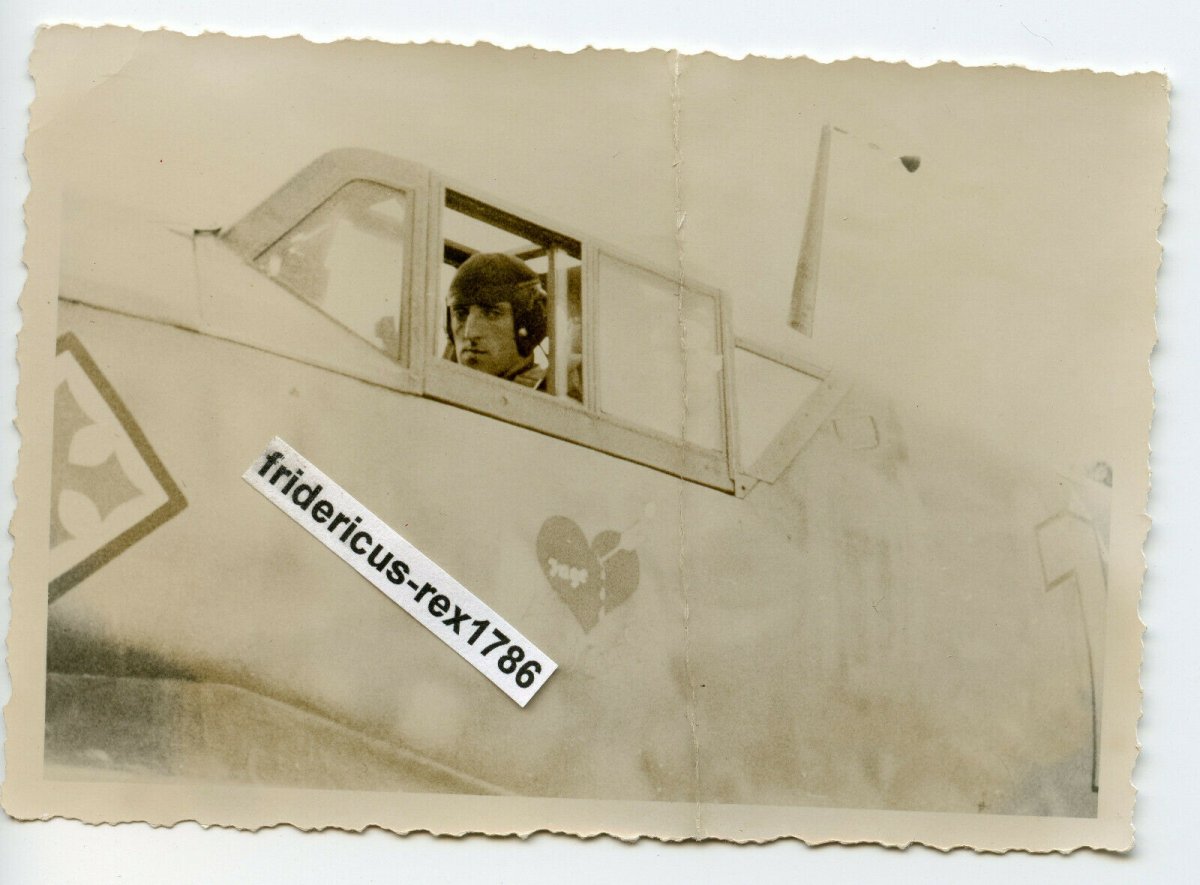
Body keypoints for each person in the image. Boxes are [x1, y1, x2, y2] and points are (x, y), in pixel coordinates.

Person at [444, 252, 548, 389]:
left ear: (530, 323)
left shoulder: (552, 397)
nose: (470, 334)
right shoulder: (442, 387)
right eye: (460, 314)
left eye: (492, 313)